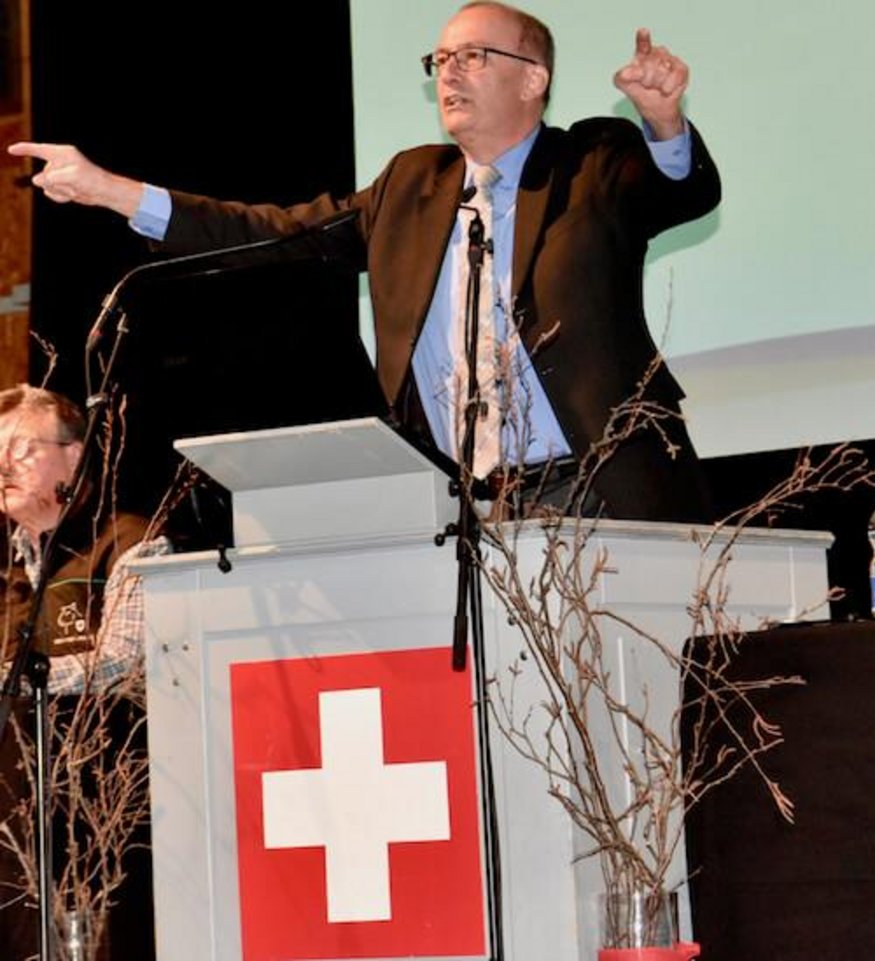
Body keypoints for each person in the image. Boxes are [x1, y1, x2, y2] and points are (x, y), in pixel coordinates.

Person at [7, 2, 719, 522]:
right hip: (466, 510)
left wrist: (662, 121)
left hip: (598, 491)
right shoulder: (412, 186)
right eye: (440, 59)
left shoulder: (590, 164)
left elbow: (679, 191)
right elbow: (271, 233)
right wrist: (112, 190)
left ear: (533, 79)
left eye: (472, 56)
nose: (449, 72)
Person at [0, 385, 167, 961]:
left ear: (73, 456)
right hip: (15, 829)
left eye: (21, 449)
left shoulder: (130, 542)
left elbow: (125, 657)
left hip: (106, 822)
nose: (3, 466)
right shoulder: (6, 564)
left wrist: (18, 677)